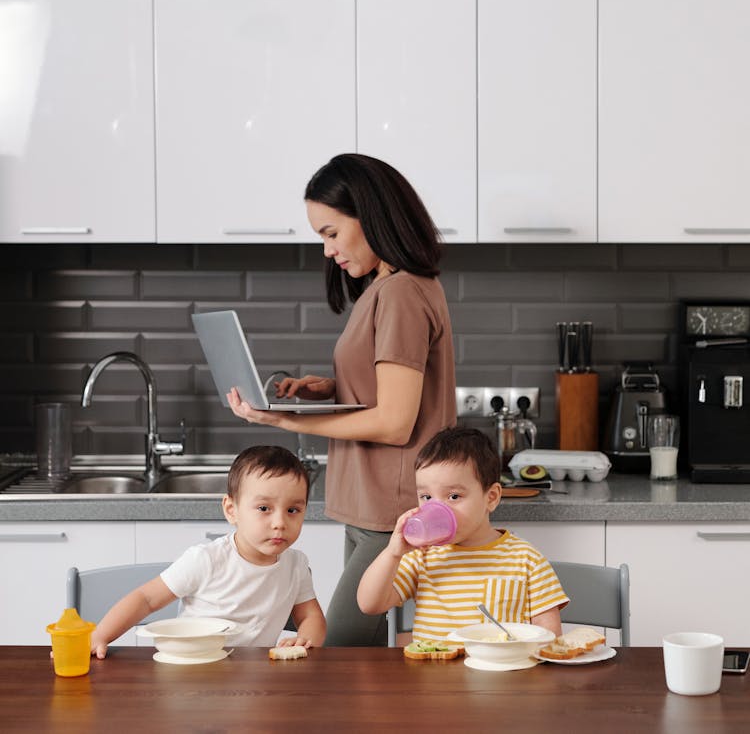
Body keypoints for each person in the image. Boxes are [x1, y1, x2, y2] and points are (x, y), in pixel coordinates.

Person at [227, 153, 457, 645]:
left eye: (331, 232)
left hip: (390, 510)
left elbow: (395, 421)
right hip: (366, 501)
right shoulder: (386, 287)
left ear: (370, 214)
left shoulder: (400, 293)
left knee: (339, 652)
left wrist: (289, 423)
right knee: (365, 670)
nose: (328, 250)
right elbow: (389, 385)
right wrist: (327, 389)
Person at [88, 446, 326, 657]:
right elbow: (146, 599)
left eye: (293, 510)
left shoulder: (296, 564)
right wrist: (101, 636)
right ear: (231, 510)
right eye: (264, 508)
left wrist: (305, 640)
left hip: (253, 681)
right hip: (193, 668)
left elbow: (310, 617)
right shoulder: (207, 559)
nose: (279, 523)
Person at [357, 426, 567, 639]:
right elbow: (369, 604)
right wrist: (393, 553)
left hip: (502, 670)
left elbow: (549, 636)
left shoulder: (526, 559)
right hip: (434, 671)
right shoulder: (422, 556)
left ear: (491, 497)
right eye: (426, 497)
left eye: (454, 496)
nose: (438, 509)